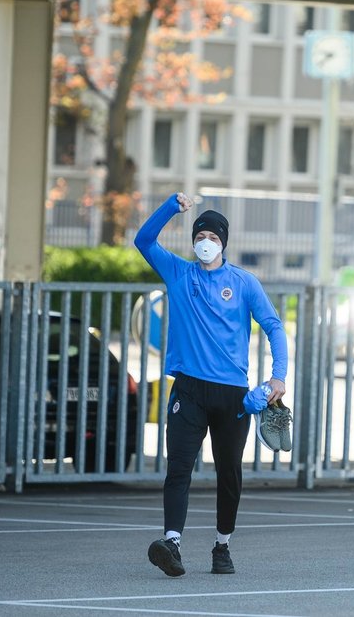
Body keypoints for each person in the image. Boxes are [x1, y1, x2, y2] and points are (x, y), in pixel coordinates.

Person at [135, 192, 288, 577]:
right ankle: (171, 542)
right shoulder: (178, 273)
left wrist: (278, 376)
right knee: (179, 468)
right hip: (188, 390)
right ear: (193, 242)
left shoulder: (243, 282)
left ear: (224, 244)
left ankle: (223, 546)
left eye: (214, 238)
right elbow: (143, 241)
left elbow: (273, 326)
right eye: (200, 236)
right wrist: (172, 206)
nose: (206, 243)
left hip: (233, 396)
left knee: (229, 474)